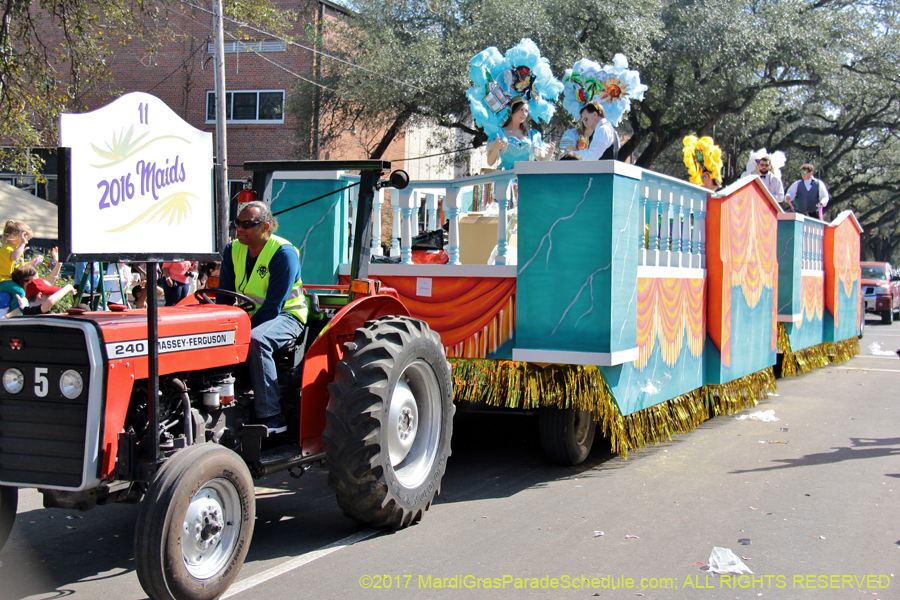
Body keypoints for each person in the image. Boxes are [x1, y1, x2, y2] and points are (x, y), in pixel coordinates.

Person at [217, 201, 307, 434]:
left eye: (247, 224)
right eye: (238, 223)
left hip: (288, 315)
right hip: (251, 314)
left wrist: (238, 333)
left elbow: (273, 307)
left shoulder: (283, 253)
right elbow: (224, 299)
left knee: (257, 340)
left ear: (265, 226)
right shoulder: (232, 249)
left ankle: (272, 416)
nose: (239, 228)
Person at [486, 96, 555, 170]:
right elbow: (490, 162)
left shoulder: (532, 135)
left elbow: (541, 161)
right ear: (512, 110)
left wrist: (549, 155)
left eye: (526, 111)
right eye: (521, 109)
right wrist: (496, 148)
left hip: (525, 178)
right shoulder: (499, 133)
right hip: (506, 177)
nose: (524, 114)